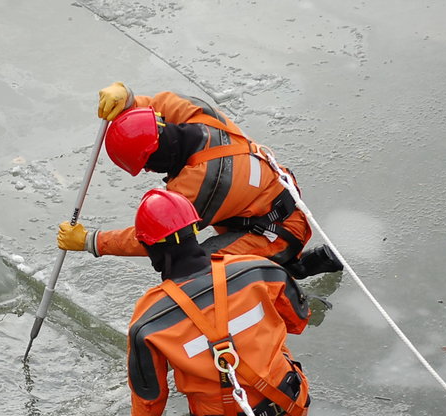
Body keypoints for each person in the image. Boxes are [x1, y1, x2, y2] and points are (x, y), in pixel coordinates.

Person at [111, 188, 313, 416]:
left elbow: (150, 399)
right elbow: (299, 320)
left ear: (153, 252)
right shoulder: (259, 268)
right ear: (194, 231)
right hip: (291, 403)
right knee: (266, 354)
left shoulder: (149, 321)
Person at [57, 81, 342, 280]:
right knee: (212, 248)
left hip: (276, 232)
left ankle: (284, 284)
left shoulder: (200, 185)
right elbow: (157, 105)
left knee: (195, 274)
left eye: (146, 165)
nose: (146, 172)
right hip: (268, 203)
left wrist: (91, 241)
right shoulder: (197, 115)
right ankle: (293, 265)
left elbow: (155, 239)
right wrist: (129, 100)